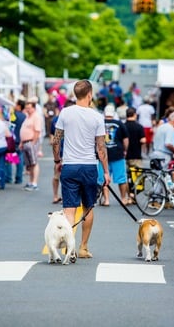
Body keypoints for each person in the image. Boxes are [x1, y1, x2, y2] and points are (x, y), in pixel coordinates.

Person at [52, 79, 110, 259]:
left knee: (69, 210)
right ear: (89, 94)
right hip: (89, 167)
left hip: (69, 165)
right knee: (88, 208)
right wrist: (106, 172)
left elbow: (56, 140)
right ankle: (83, 247)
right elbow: (101, 147)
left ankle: (70, 248)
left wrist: (57, 159)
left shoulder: (65, 113)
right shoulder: (97, 117)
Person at [98, 104, 129, 206]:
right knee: (121, 178)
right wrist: (125, 150)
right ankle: (123, 198)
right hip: (117, 154)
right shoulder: (120, 124)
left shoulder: (100, 123)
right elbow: (125, 140)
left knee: (104, 179)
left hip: (103, 156)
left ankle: (106, 200)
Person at [49, 100, 75, 204]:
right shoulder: (58, 119)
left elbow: (52, 136)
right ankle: (58, 196)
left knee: (59, 175)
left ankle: (56, 196)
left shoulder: (57, 119)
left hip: (63, 152)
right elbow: (53, 136)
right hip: (66, 152)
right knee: (61, 176)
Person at [20, 100, 42, 191]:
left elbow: (37, 130)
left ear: (33, 108)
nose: (27, 110)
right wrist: (22, 142)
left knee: (34, 162)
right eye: (26, 108)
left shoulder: (36, 117)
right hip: (26, 142)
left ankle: (34, 183)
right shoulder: (28, 117)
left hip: (31, 142)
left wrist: (33, 142)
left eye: (29, 108)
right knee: (29, 164)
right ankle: (31, 181)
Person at [6, 100, 26, 185]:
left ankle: (9, 177)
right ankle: (19, 178)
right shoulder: (25, 116)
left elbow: (11, 125)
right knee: (20, 159)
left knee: (10, 158)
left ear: (19, 106)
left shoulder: (14, 114)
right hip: (21, 139)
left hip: (13, 139)